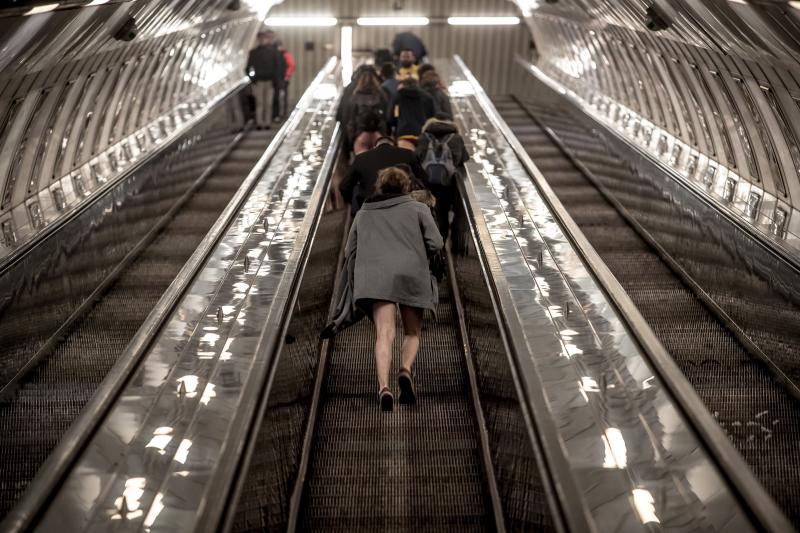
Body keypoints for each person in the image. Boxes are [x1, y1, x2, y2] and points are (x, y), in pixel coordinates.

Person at [346, 166, 443, 411]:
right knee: (412, 333)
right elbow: (436, 242)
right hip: (411, 273)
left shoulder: (363, 213)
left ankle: (384, 388)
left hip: (377, 278)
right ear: (406, 187)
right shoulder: (419, 209)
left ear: (379, 186)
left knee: (384, 334)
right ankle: (405, 369)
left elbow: (350, 251)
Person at [340, 136, 428, 215]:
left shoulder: (361, 158)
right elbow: (424, 180)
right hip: (404, 206)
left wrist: (354, 202)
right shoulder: (408, 154)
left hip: (371, 208)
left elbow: (344, 186)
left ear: (375, 147)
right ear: (395, 145)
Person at [415, 118, 470, 241]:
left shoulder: (424, 137)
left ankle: (431, 240)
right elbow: (465, 157)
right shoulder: (456, 138)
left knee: (432, 209)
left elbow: (417, 156)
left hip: (428, 181)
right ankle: (445, 241)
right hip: (448, 182)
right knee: (445, 211)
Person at [341, 67, 389, 154]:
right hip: (378, 134)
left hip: (361, 133)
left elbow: (350, 120)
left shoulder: (354, 96)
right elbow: (387, 117)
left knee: (362, 162)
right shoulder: (382, 95)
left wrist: (350, 143)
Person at [245, 30, 284, 129]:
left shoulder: (273, 52)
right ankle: (260, 123)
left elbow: (278, 67)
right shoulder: (254, 53)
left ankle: (267, 123)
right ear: (258, 39)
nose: (263, 40)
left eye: (265, 38)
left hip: (269, 81)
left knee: (268, 103)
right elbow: (248, 67)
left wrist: (276, 80)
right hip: (259, 82)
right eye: (261, 38)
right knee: (260, 103)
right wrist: (253, 79)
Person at [388, 77, 435, 150]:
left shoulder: (398, 96)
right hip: (422, 134)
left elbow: (391, 117)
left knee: (406, 159)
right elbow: (433, 117)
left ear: (403, 85)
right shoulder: (427, 97)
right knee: (422, 159)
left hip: (404, 134)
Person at [272, 40, 295, 121]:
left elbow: (291, 66)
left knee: (282, 97)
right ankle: (277, 114)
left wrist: (287, 76)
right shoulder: (274, 54)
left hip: (283, 79)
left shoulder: (285, 54)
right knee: (276, 97)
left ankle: (283, 114)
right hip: (276, 79)